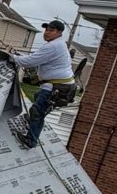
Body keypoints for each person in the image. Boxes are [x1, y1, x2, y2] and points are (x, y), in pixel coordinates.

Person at [11, 19, 75, 148]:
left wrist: (11, 57)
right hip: (61, 85)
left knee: (37, 113)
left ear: (59, 32)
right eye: (46, 30)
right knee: (37, 96)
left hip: (56, 86)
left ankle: (31, 140)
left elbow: (29, 62)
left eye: (51, 30)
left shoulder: (53, 46)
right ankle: (32, 120)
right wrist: (19, 55)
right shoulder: (58, 44)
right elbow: (36, 58)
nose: (47, 32)